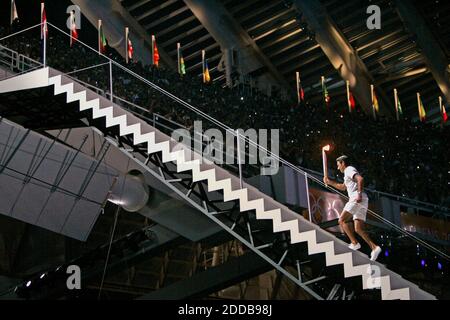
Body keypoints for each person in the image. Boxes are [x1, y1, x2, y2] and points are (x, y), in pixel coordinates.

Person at [323, 155, 382, 261]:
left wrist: (358, 194)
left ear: (342, 163)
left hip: (356, 197)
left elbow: (360, 179)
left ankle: (354, 243)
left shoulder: (349, 169)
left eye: (338, 165)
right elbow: (343, 187)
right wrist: (329, 182)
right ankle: (374, 247)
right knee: (358, 228)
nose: (337, 168)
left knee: (341, 220)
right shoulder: (348, 173)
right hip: (362, 199)